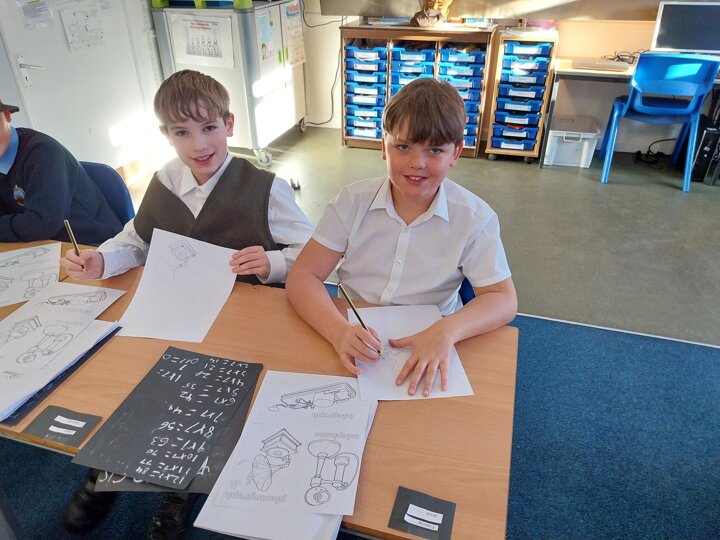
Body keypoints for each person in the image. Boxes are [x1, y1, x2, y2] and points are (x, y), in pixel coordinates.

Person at [59, 69, 314, 538]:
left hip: (242, 319)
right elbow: (138, 240)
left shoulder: (266, 188)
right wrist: (104, 259)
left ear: (229, 124)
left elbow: (315, 255)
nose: (199, 144)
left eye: (209, 127)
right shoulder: (164, 181)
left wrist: (274, 261)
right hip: (176, 307)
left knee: (207, 392)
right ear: (165, 134)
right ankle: (108, 465)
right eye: (182, 132)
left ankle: (178, 484)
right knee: (136, 373)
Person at [286, 77, 517, 398]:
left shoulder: (475, 218)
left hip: (432, 334)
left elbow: (503, 299)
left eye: (434, 150)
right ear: (384, 146)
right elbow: (303, 275)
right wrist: (337, 331)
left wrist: (448, 330)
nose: (417, 163)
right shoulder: (352, 202)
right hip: (355, 329)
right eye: (403, 146)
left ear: (455, 153)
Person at [0, 99, 123, 244]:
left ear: (7, 115)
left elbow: (43, 223)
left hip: (93, 243)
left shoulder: (41, 153)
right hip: (43, 244)